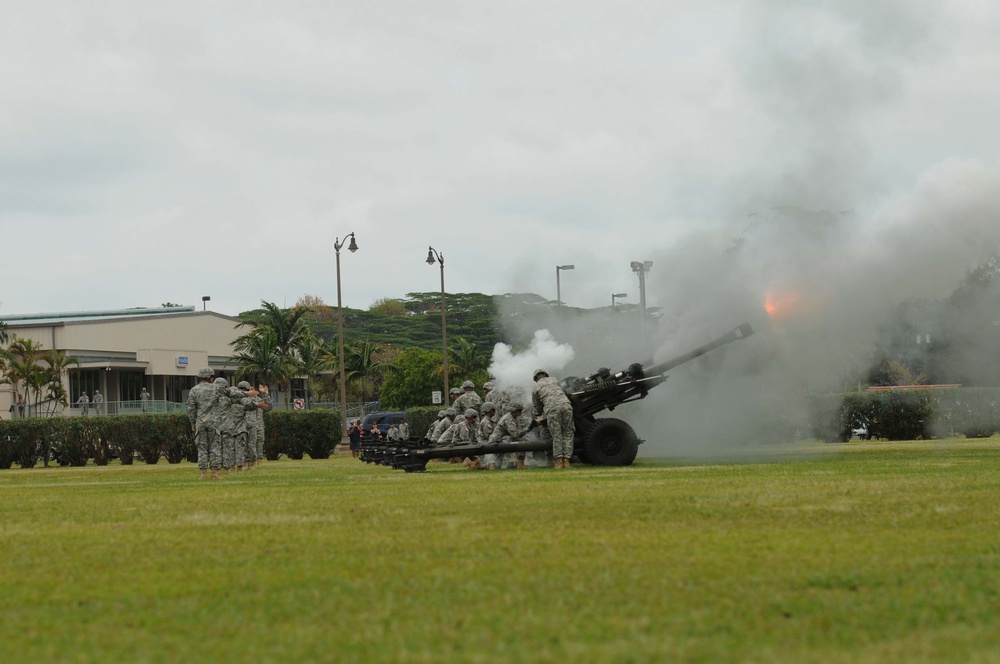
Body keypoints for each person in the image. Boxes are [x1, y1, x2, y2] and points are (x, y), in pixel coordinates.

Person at [532, 368, 576, 468]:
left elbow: (537, 408)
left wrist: (538, 415)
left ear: (535, 378)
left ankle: (559, 462)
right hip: (566, 406)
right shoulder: (555, 380)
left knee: (557, 435)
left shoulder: (535, 388)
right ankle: (567, 461)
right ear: (546, 375)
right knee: (568, 433)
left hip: (552, 409)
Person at [187, 367, 222, 479]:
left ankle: (203, 473)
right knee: (214, 447)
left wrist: (193, 423)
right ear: (211, 377)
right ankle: (215, 473)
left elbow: (191, 409)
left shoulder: (194, 390)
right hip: (213, 422)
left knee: (202, 448)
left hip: (200, 422)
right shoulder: (217, 388)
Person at [489, 401, 529, 469]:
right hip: (497, 440)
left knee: (497, 463)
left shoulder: (514, 418)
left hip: (500, 439)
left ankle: (518, 464)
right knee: (521, 443)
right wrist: (529, 428)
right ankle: (520, 464)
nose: (520, 412)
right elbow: (515, 434)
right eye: (519, 410)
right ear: (514, 410)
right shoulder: (509, 419)